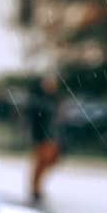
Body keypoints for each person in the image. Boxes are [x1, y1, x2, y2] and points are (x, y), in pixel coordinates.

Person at [27, 72, 63, 204]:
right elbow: (36, 119)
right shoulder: (39, 100)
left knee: (49, 161)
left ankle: (37, 187)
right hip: (42, 136)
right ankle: (35, 188)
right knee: (41, 162)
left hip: (51, 136)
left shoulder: (54, 99)